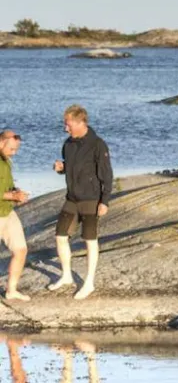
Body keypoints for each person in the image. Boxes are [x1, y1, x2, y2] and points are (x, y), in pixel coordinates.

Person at [49, 105, 113, 300]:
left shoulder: (97, 144)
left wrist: (105, 201)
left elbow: (107, 174)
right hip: (72, 198)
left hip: (91, 199)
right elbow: (71, 167)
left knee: (89, 240)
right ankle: (67, 276)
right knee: (60, 235)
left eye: (67, 124)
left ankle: (89, 283)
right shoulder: (68, 144)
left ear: (79, 123)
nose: (65, 128)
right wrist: (61, 168)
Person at [0, 129, 31, 301]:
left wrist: (17, 193)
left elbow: (8, 186)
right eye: (11, 149)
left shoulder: (6, 161)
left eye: (16, 149)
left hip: (7, 211)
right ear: (1, 143)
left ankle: (11, 290)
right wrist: (12, 196)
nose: (14, 153)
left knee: (20, 249)